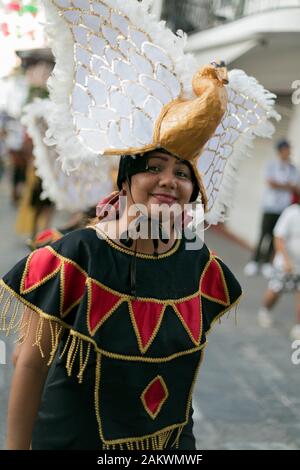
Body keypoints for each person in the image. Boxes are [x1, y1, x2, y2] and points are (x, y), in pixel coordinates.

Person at [0, 0, 278, 450]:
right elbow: (29, 364)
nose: (169, 181)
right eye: (155, 167)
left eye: (183, 173)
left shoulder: (201, 265)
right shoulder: (72, 258)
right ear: (127, 179)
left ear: (195, 191)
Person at [244, 139, 299, 277]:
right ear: (280, 150)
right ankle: (255, 261)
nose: (289, 152)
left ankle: (267, 263)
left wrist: (283, 185)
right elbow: (271, 183)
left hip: (282, 208)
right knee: (263, 234)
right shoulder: (271, 165)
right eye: (286, 149)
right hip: (270, 205)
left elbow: (294, 187)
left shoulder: (293, 168)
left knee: (275, 235)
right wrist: (286, 185)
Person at [257, 202, 300, 340]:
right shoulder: (291, 212)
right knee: (275, 291)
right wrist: (287, 261)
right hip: (285, 265)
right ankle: (265, 310)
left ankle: (298, 327)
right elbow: (279, 238)